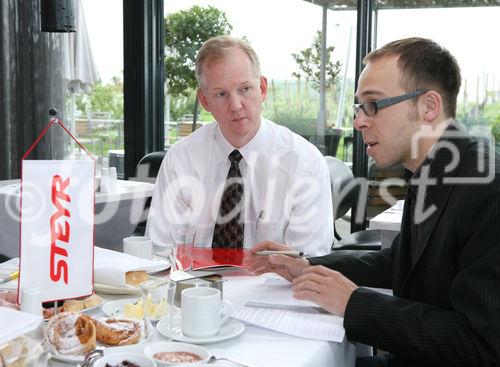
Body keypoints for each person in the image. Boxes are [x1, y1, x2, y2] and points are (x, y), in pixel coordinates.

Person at [248, 37, 500, 367]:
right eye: (359, 107)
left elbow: (479, 344)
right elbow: (401, 263)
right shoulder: (433, 170)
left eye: (374, 105)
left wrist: (353, 302)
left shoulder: (487, 188)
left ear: (429, 106)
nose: (359, 121)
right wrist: (308, 264)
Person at [147, 35, 333, 256]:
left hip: (275, 288)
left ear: (262, 89)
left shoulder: (303, 161)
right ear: (205, 101)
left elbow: (309, 261)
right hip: (194, 287)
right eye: (221, 94)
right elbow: (160, 250)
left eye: (244, 89)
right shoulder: (181, 158)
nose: (235, 106)